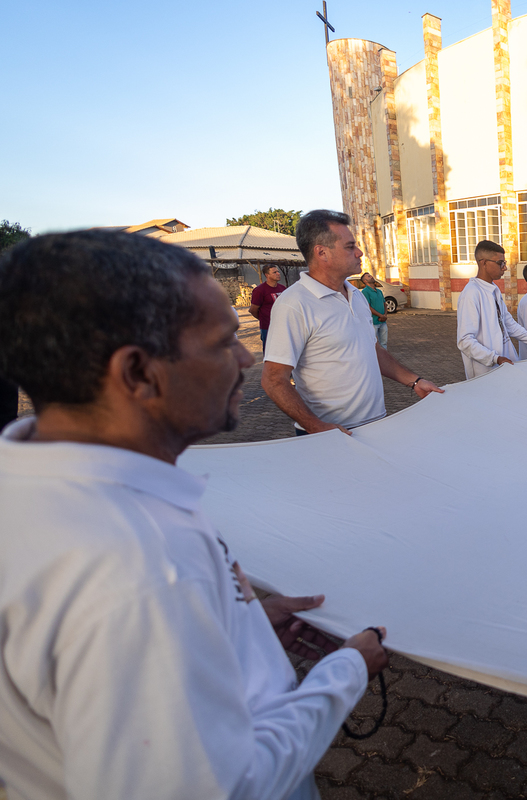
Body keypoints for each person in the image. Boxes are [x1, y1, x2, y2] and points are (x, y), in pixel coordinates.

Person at [0, 230, 389, 800]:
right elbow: (225, 787)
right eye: (222, 342)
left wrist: (237, 623)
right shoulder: (141, 568)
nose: (246, 358)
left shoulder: (38, 490)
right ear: (138, 373)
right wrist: (346, 672)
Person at [262, 210, 441, 436]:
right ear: (322, 252)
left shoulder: (356, 295)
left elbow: (372, 349)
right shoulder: (294, 304)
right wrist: (315, 426)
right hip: (330, 435)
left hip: (376, 424)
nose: (359, 252)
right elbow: (273, 380)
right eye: (350, 246)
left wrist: (415, 382)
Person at [458, 240, 527, 377]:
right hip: (485, 372)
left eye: (504, 263)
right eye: (500, 263)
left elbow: (508, 324)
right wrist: (495, 358)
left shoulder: (494, 289)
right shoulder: (471, 293)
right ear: (483, 263)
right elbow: (464, 341)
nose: (504, 268)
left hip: (504, 364)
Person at [249, 265, 287, 345]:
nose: (278, 274)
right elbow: (253, 310)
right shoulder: (260, 290)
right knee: (269, 349)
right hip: (268, 328)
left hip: (283, 326)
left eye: (278, 271)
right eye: (274, 272)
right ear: (267, 275)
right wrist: (264, 319)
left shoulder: (283, 288)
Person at [359, 271, 389, 347]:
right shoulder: (365, 292)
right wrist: (380, 316)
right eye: (369, 276)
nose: (371, 277)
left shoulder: (379, 291)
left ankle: (384, 354)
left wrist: (385, 315)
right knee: (374, 343)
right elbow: (368, 307)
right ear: (365, 281)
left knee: (384, 342)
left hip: (383, 321)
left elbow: (384, 304)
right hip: (373, 322)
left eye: (371, 275)